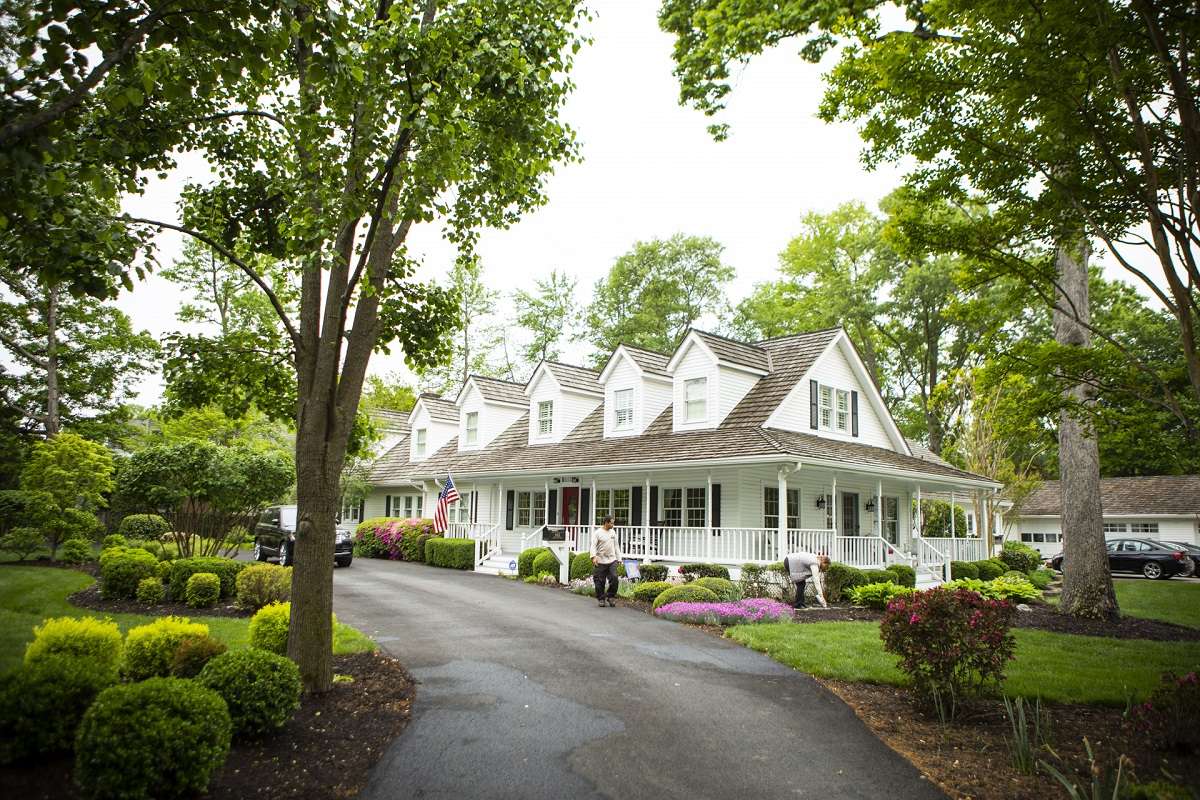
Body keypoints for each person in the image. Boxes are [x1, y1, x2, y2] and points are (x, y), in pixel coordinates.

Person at [591, 515, 622, 607]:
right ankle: (601, 599)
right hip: (600, 560)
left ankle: (611, 597)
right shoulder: (598, 533)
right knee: (600, 581)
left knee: (614, 578)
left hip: (612, 560)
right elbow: (593, 546)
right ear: (606, 523)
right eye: (612, 523)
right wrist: (593, 557)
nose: (613, 524)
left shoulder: (613, 532)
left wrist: (619, 558)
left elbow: (616, 546)